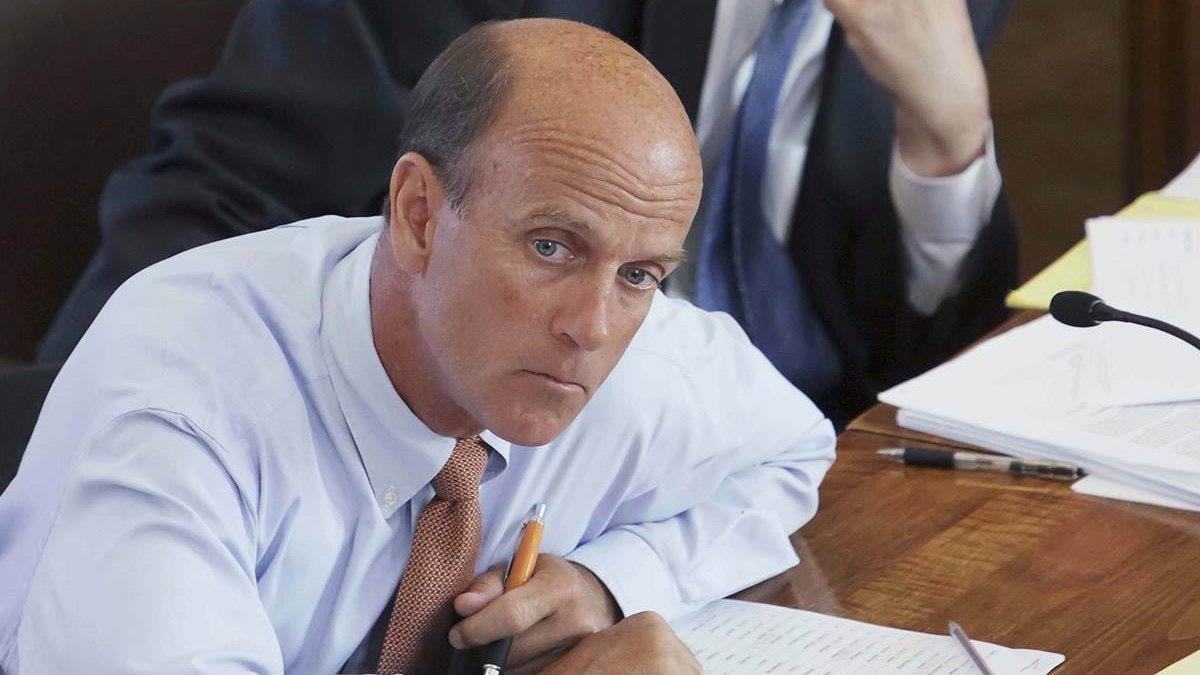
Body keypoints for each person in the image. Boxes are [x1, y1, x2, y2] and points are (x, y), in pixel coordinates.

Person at [0, 19, 834, 674]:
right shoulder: (182, 410)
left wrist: (616, 580)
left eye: (642, 274)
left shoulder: (630, 353)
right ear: (419, 215)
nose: (592, 328)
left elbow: (793, 453)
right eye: (551, 246)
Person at [37, 0, 1016, 427]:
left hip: (767, 485)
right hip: (460, 481)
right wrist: (109, 437)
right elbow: (227, 198)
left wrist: (949, 136)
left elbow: (914, 350)